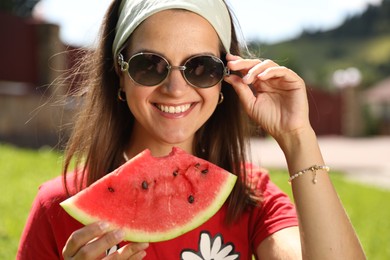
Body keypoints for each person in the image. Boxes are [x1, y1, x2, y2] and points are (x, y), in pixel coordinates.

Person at [17, 0, 366, 259]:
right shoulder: (58, 207)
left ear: (223, 81)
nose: (175, 88)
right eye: (149, 65)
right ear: (119, 73)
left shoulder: (251, 199)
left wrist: (296, 137)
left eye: (200, 67)